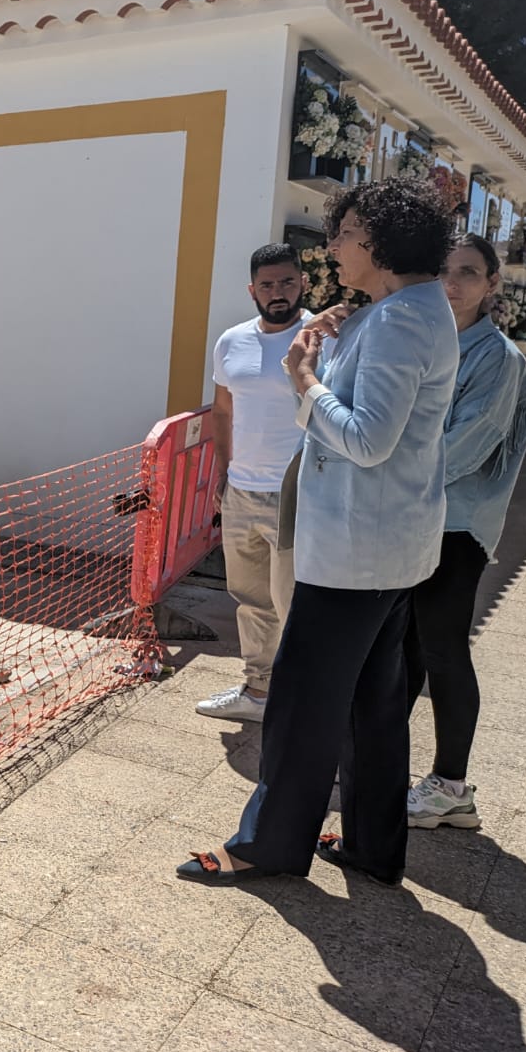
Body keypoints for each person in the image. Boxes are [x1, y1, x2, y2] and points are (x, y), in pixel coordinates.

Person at [177, 177, 458, 888]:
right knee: (373, 705)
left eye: (345, 233)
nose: (332, 247)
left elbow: (365, 439)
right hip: (386, 548)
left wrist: (303, 377)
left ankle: (266, 846)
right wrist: (322, 347)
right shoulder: (407, 310)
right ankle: (371, 846)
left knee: (302, 706)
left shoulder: (398, 321)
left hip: (354, 553)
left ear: (382, 241)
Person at [405, 234, 526, 829]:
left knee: (442, 647)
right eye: (443, 270)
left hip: (457, 525)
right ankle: (382, 759)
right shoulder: (429, 344)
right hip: (413, 515)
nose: (452, 283)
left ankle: (451, 785)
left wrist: (388, 475)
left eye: (467, 272)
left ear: (492, 284)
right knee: (405, 644)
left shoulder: (498, 358)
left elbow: (466, 445)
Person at [195, 244, 311, 723]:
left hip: (297, 493)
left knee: (296, 603)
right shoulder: (231, 342)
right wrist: (224, 473)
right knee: (250, 600)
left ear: (303, 283)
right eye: (267, 285)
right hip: (241, 491)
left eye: (286, 282)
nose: (277, 292)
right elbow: (223, 412)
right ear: (252, 290)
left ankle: (301, 701)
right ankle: (259, 691)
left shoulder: (321, 338)